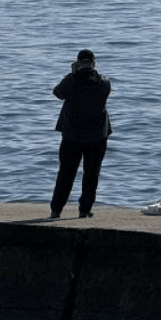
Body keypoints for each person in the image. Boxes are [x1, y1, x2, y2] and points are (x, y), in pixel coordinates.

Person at [49, 49, 111, 219]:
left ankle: (56, 210)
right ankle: (84, 210)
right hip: (97, 135)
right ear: (94, 63)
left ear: (77, 63)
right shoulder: (104, 82)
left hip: (72, 135)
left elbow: (57, 93)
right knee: (92, 174)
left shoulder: (71, 80)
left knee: (66, 174)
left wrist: (73, 73)